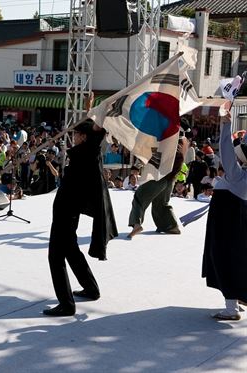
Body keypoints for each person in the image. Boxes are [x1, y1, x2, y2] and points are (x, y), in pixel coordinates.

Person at [44, 95, 118, 317]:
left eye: (76, 134)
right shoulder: (82, 152)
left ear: (83, 137)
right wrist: (88, 110)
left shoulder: (89, 151)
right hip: (66, 208)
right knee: (71, 250)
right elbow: (91, 128)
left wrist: (102, 110)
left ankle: (66, 304)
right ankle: (91, 288)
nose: (73, 136)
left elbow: (97, 132)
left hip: (67, 211)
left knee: (55, 256)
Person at [202, 107, 247, 321]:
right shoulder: (242, 175)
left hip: (225, 222)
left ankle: (231, 308)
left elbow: (226, 151)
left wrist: (226, 124)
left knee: (223, 258)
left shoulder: (238, 175)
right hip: (235, 221)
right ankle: (236, 300)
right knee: (237, 258)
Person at [127, 138, 186, 239]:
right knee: (161, 204)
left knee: (139, 198)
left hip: (158, 178)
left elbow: (151, 157)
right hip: (169, 181)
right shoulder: (179, 150)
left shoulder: (164, 145)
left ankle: (136, 224)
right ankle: (171, 226)